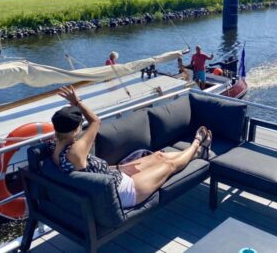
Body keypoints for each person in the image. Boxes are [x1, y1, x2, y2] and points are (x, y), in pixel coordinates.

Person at [51, 86, 212, 209]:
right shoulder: (75, 151)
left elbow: (90, 171)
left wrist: (120, 168)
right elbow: (95, 121)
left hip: (114, 178)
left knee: (159, 156)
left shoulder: (56, 147)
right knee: (168, 166)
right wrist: (78, 102)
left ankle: (196, 153)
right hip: (124, 192)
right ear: (75, 130)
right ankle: (197, 146)